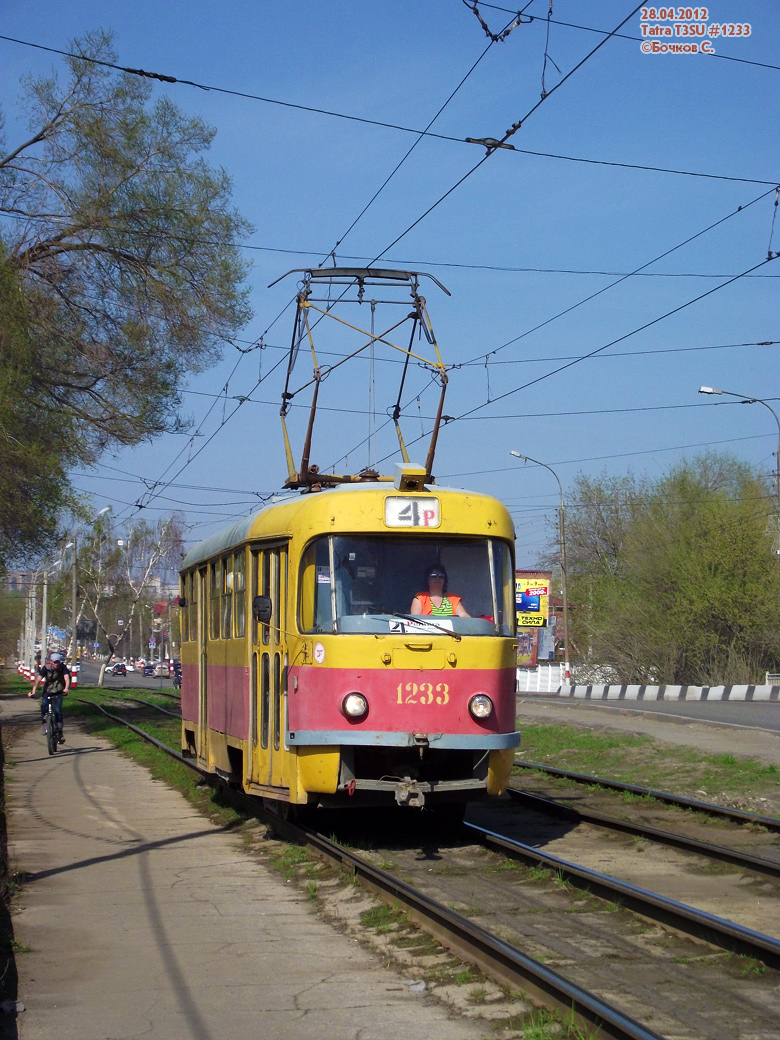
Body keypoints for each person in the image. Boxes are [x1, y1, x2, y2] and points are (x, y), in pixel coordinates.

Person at [29, 651, 71, 744]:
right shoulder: (46, 668)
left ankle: (60, 732)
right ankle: (44, 723)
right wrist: (33, 691)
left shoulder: (63, 668)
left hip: (58, 691)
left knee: (58, 711)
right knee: (44, 706)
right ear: (51, 661)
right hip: (47, 691)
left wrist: (66, 688)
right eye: (55, 662)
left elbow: (66, 678)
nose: (56, 664)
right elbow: (38, 679)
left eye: (58, 662)